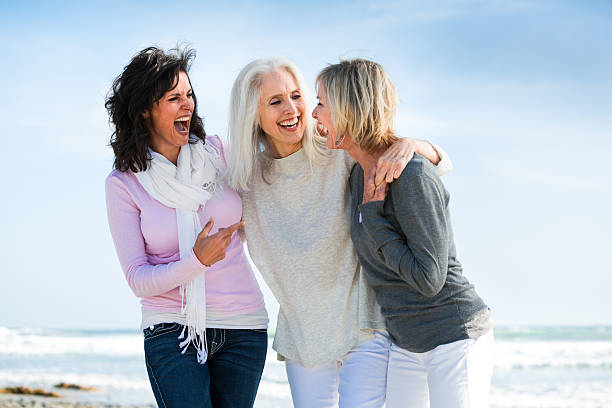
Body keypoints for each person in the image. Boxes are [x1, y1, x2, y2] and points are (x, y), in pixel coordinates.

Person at [225, 57, 452, 407]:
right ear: (251, 115)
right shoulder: (245, 180)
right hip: (303, 337)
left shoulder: (337, 148)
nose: (293, 109)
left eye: (297, 96)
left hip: (363, 327)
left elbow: (439, 164)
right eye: (275, 101)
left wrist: (415, 145)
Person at [313, 58, 494, 408]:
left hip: (454, 338)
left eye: (322, 103)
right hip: (406, 345)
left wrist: (374, 217)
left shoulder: (411, 176)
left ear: (348, 110)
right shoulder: (355, 175)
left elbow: (429, 279)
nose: (315, 114)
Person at [104, 46, 268, 408]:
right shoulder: (124, 184)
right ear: (145, 108)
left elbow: (284, 163)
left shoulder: (220, 154)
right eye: (174, 97)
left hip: (244, 327)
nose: (187, 104)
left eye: (189, 94)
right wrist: (196, 261)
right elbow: (137, 278)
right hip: (171, 330)